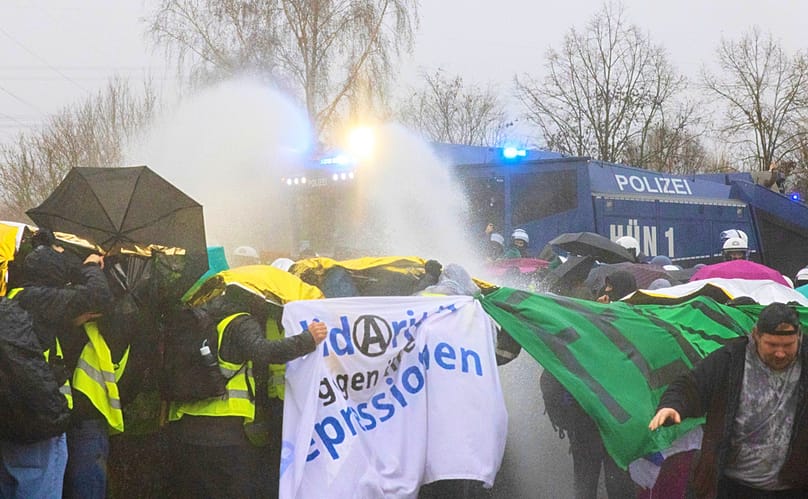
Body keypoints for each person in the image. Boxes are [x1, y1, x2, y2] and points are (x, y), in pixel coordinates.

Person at [168, 290, 328, 498]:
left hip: (186, 428)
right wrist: (308, 339)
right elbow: (263, 351)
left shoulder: (200, 319)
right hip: (224, 433)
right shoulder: (240, 322)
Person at [648, 302, 808, 498]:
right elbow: (691, 385)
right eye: (772, 345)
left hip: (794, 486)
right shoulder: (730, 359)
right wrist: (673, 406)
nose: (780, 353)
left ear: (799, 336)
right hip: (732, 485)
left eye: (788, 345)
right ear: (755, 335)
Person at [1, 230, 113, 499]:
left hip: (9, 417)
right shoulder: (40, 299)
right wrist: (89, 267)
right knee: (40, 487)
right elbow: (99, 297)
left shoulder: (13, 298)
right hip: (39, 421)